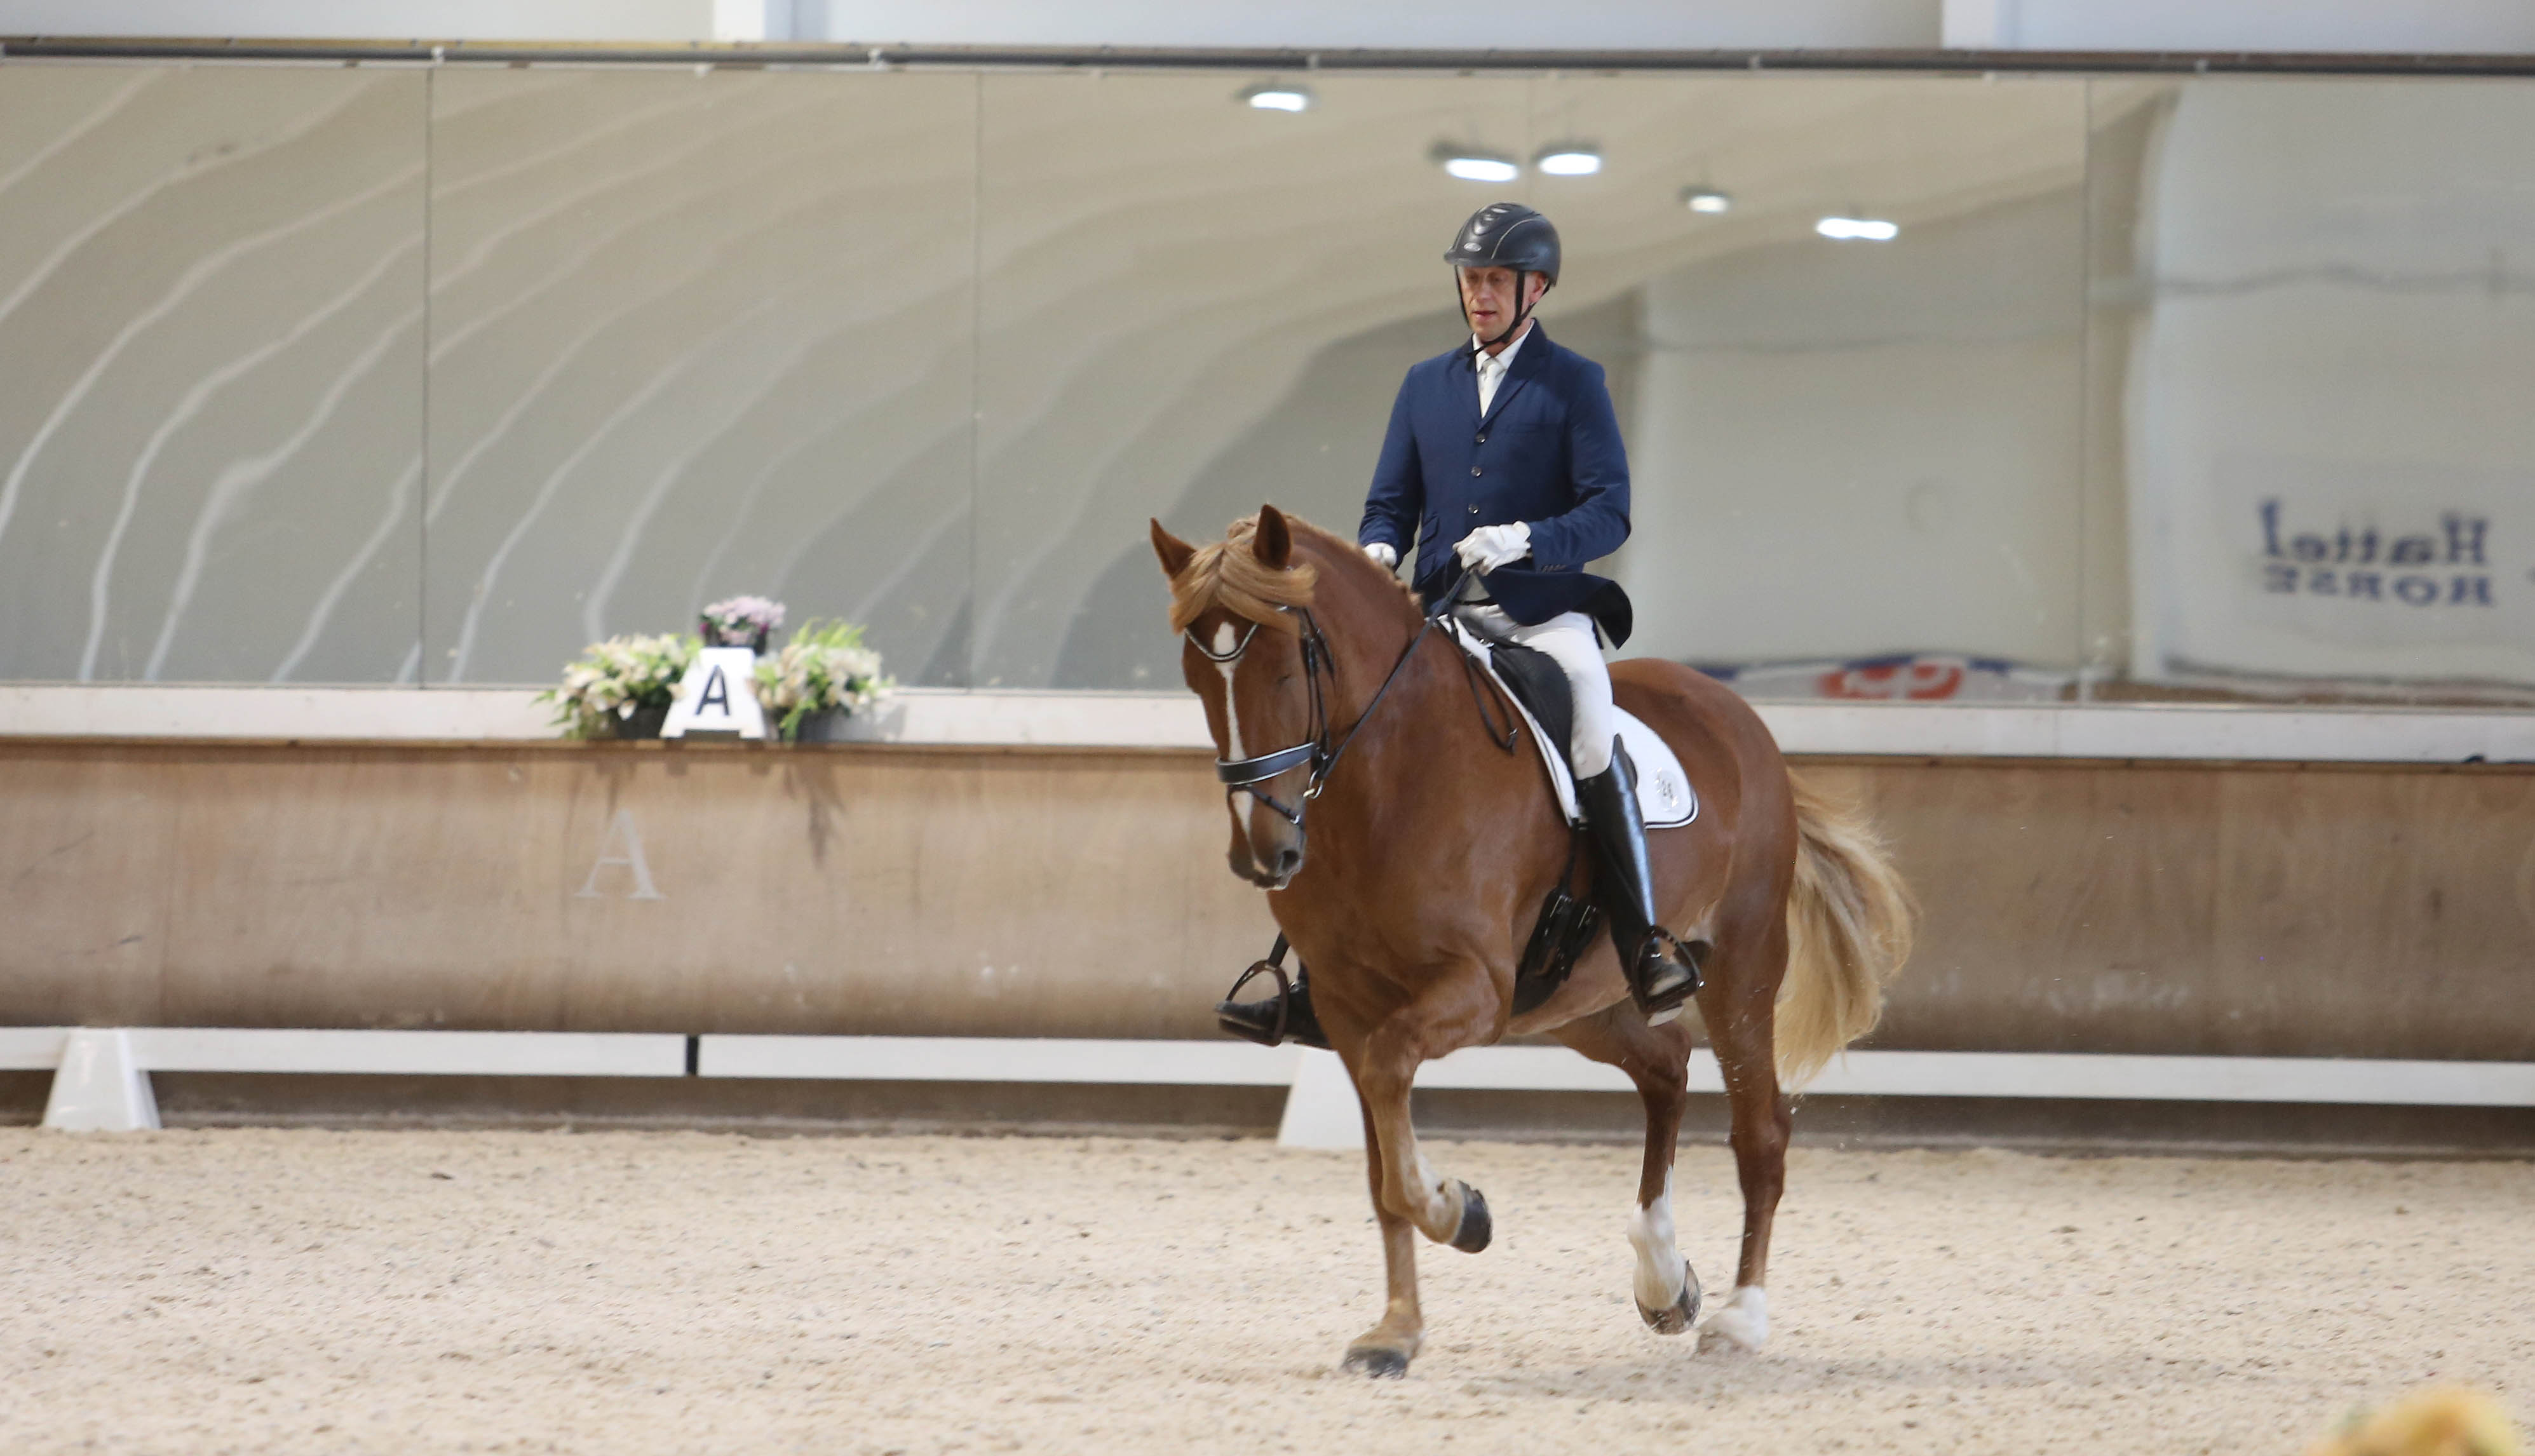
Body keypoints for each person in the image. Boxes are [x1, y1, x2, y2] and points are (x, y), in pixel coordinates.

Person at [1220, 202, 1701, 1042]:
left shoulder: (1573, 382)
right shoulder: (1424, 385)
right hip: (1441, 613)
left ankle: (1645, 941)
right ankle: (1310, 975)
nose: (1479, 294)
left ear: (1535, 289)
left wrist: (1526, 538)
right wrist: (1377, 549)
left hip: (1541, 615)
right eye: (1471, 279)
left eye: (1495, 281)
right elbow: (1389, 503)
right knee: (1347, 734)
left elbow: (1609, 513)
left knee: (1591, 730)